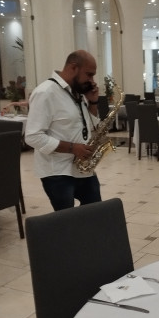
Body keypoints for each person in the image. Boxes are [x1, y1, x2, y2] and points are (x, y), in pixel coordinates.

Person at [25, 50, 102, 211]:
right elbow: (33, 136)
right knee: (66, 220)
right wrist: (73, 148)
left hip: (82, 168)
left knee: (95, 212)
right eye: (89, 75)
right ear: (73, 67)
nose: (92, 81)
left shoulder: (78, 93)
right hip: (57, 172)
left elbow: (91, 127)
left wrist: (93, 103)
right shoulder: (45, 92)